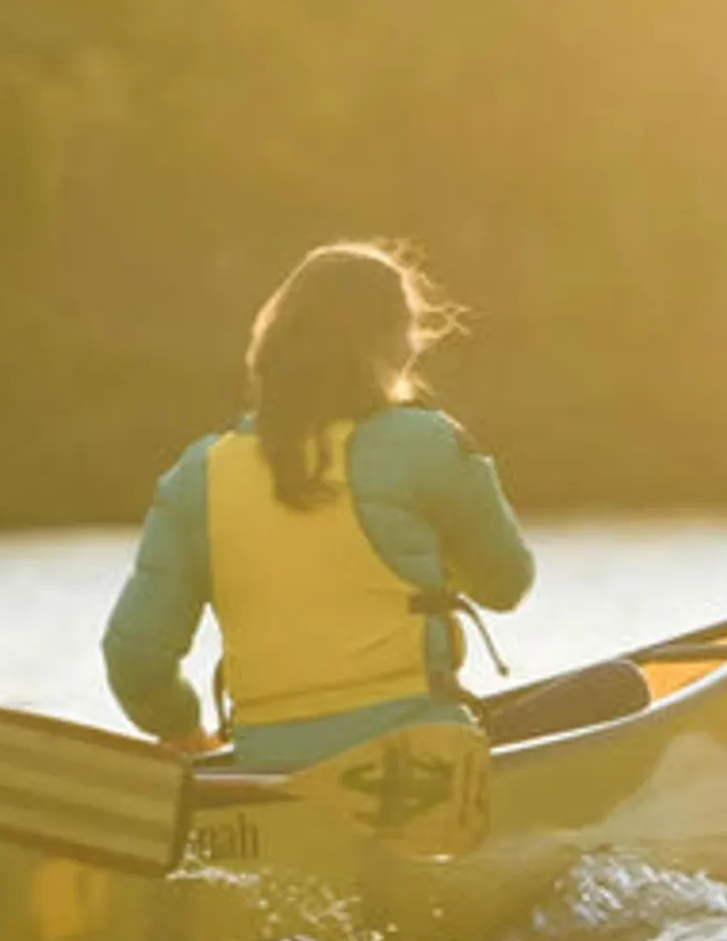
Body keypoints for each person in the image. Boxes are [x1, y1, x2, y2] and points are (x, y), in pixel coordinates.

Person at [102, 238, 535, 773]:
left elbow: (135, 663)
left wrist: (187, 735)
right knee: (621, 686)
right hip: (425, 761)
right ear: (391, 346)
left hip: (269, 772)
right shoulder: (430, 444)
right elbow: (507, 584)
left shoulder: (197, 478)